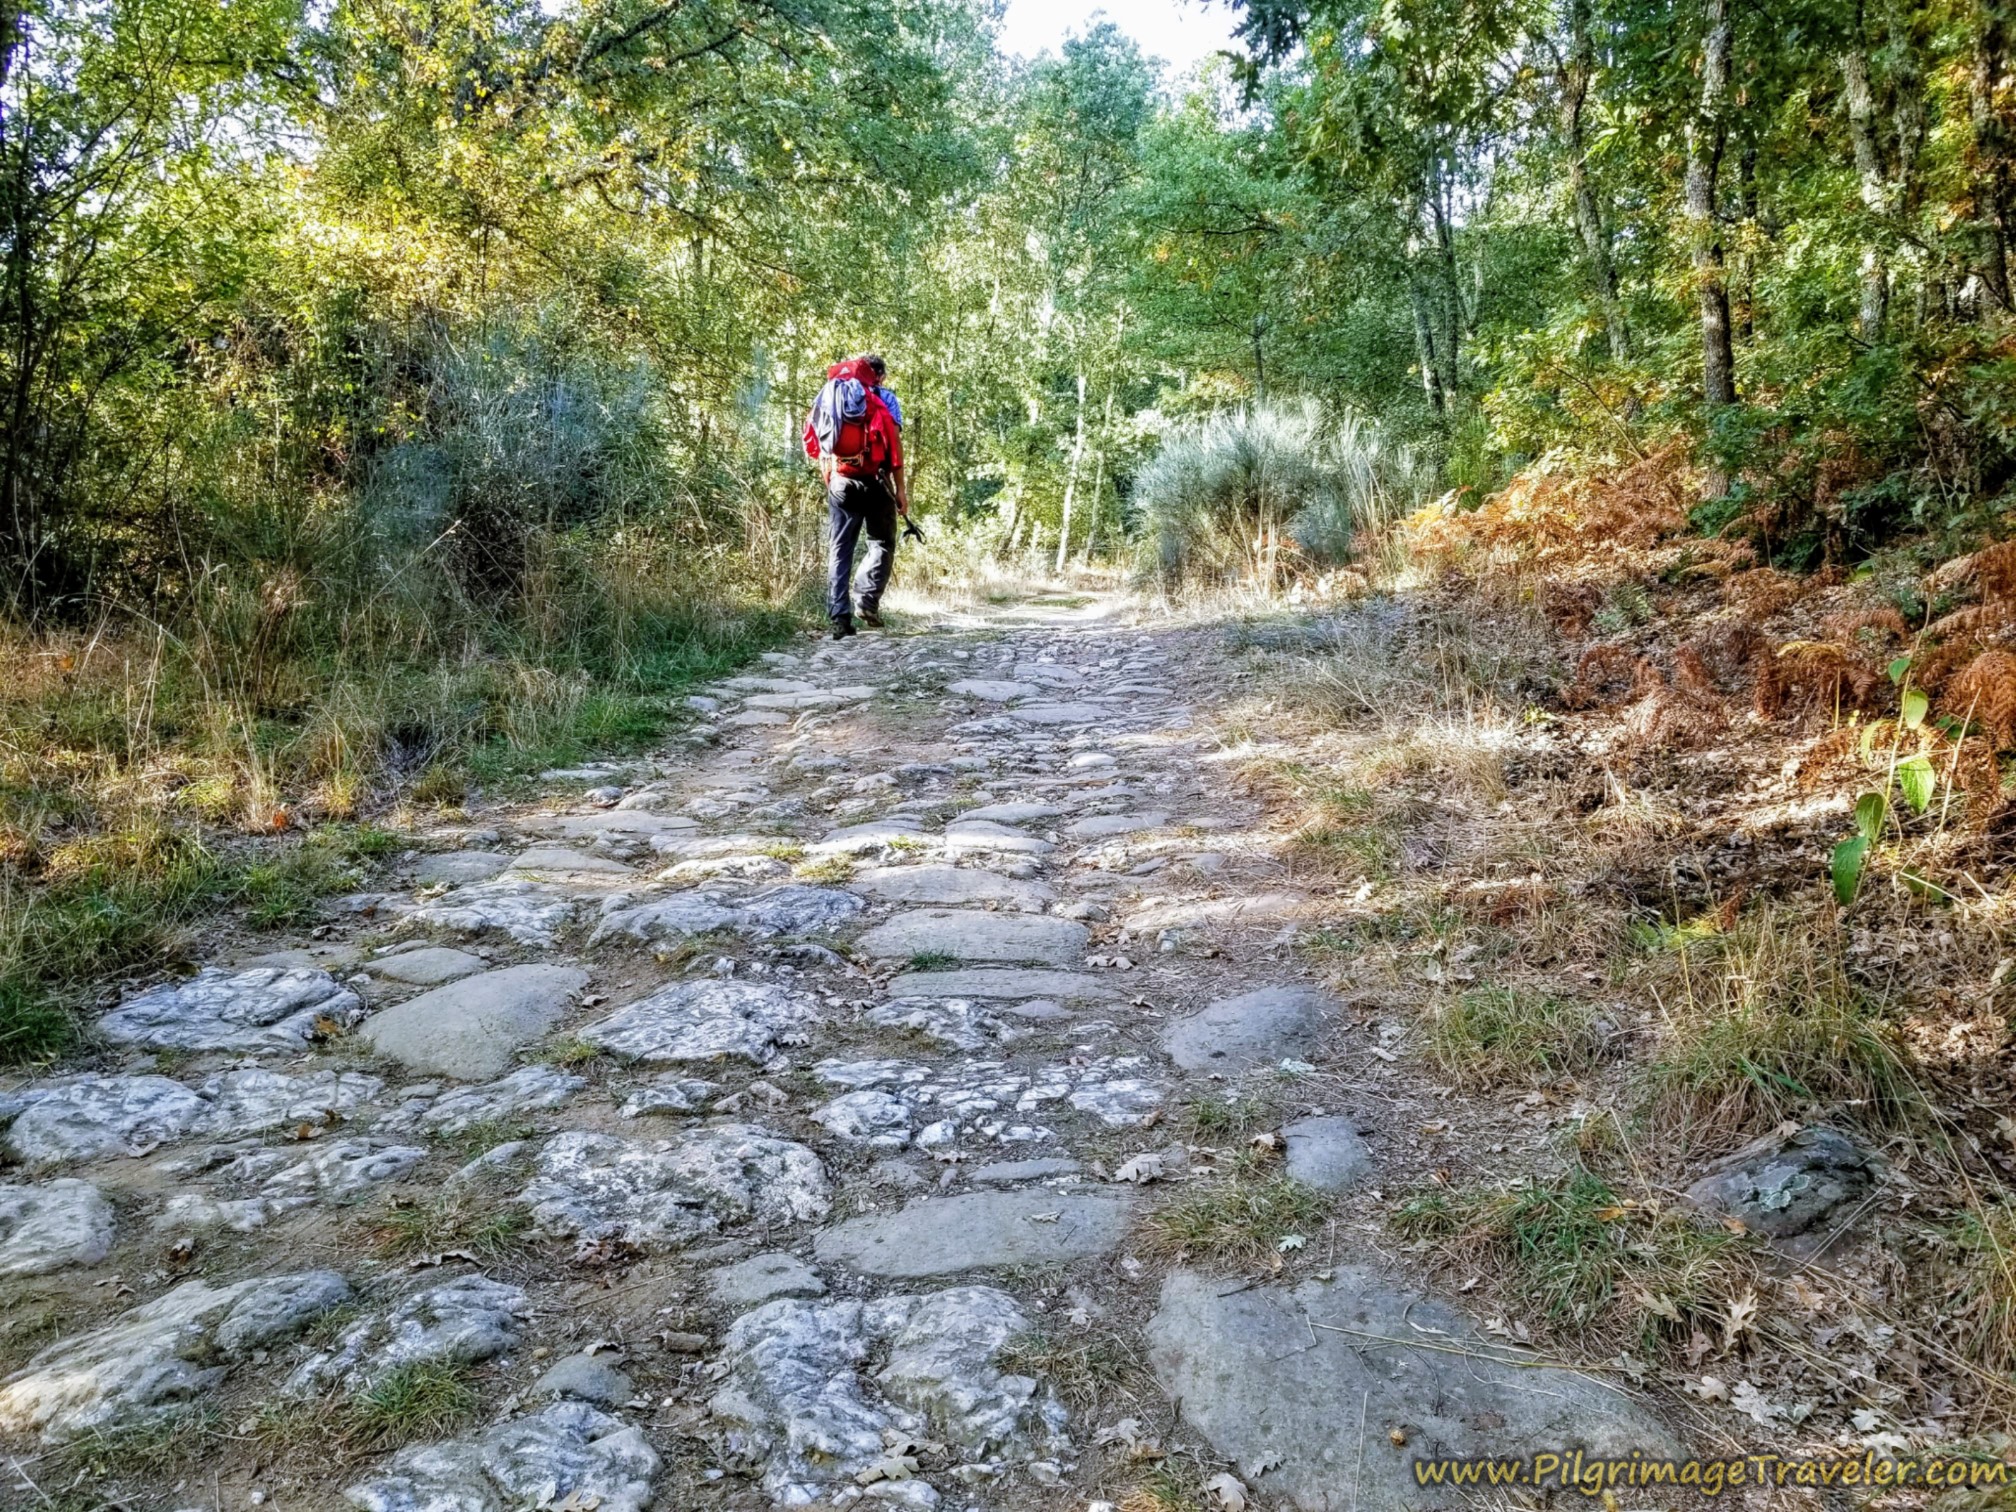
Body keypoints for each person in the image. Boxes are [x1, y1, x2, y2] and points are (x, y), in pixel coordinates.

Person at [804, 357, 910, 638]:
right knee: (882, 542)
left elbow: (819, 446)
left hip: (840, 481)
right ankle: (866, 599)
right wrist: (901, 490)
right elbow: (895, 448)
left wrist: (832, 480)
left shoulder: (831, 397)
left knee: (840, 549)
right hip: (877, 480)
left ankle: (840, 618)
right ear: (881, 376)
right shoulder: (885, 398)